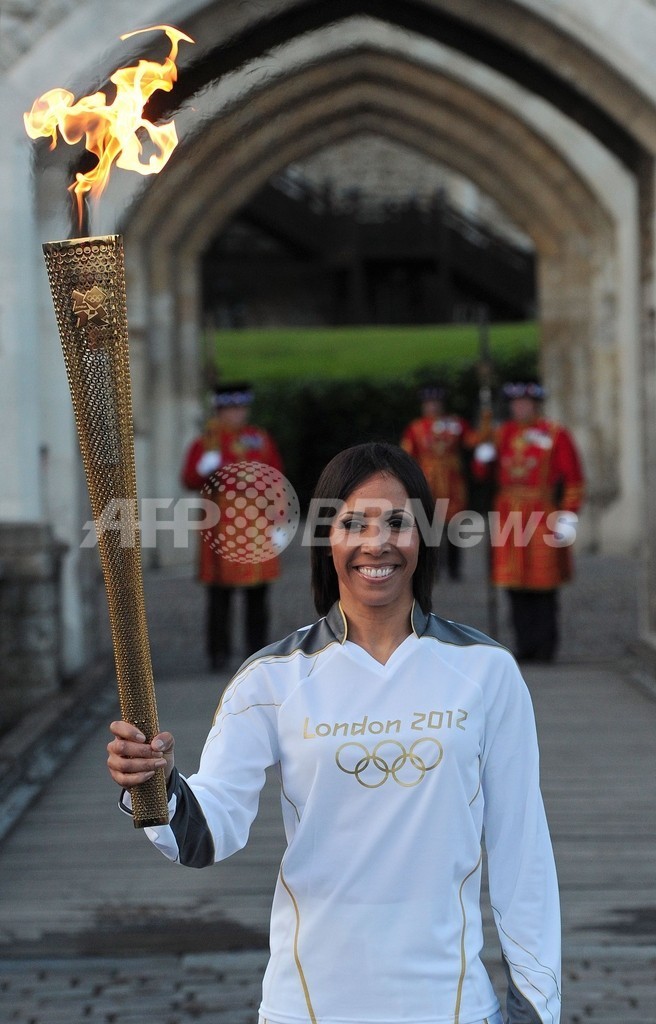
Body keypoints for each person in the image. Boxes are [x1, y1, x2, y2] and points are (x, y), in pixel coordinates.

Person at [108, 441, 561, 1024]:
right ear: (327, 539)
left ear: (424, 537)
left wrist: (537, 1008)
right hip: (310, 1006)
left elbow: (523, 852)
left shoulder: (485, 670)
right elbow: (207, 835)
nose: (377, 543)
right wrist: (155, 782)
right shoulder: (272, 678)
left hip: (450, 1007)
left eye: (398, 522)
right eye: (353, 523)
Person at [474, 379, 584, 662]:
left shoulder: (555, 434)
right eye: (515, 404)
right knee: (514, 583)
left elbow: (573, 477)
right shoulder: (502, 433)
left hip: (541, 513)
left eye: (525, 403)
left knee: (543, 581)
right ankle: (524, 644)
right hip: (508, 512)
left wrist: (569, 514)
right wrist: (482, 457)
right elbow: (481, 475)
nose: (520, 408)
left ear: (535, 405)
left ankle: (545, 644)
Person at [181, 382, 283, 669]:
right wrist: (202, 469)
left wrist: (278, 520)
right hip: (221, 529)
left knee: (258, 596)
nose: (237, 414)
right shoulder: (207, 442)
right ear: (220, 410)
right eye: (230, 409)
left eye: (241, 408)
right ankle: (218, 653)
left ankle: (259, 651)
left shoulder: (259, 439)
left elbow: (276, 478)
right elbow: (189, 479)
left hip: (257, 528)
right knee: (219, 597)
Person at [400, 384, 469, 580]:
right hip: (427, 481)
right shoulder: (416, 427)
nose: (432, 407)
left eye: (436, 403)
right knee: (429, 526)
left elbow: (472, 441)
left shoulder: (455, 423)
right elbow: (407, 454)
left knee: (455, 525)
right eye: (429, 403)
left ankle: (455, 569)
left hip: (453, 483)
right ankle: (433, 568)